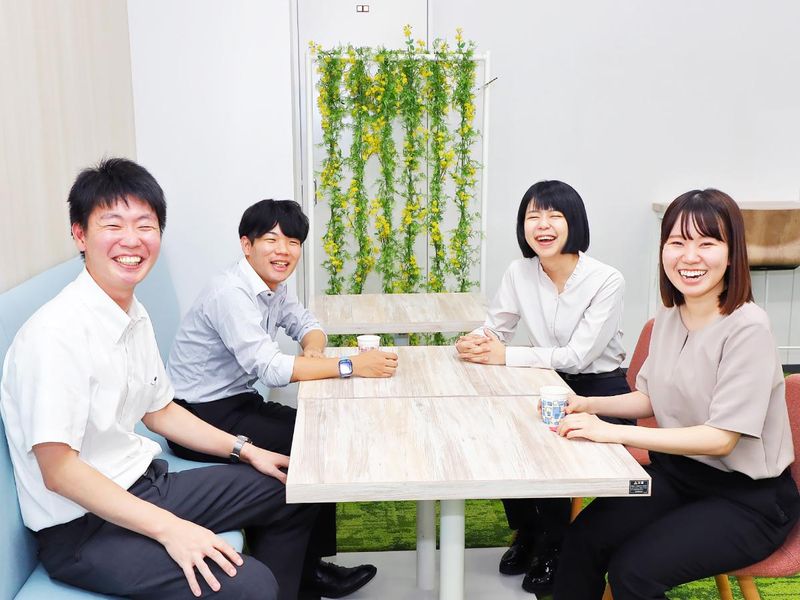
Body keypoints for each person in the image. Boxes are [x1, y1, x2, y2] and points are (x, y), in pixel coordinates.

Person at [0, 158, 320, 600]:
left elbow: (161, 411)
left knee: (294, 488)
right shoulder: (55, 334)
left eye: (145, 225)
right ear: (80, 234)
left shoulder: (132, 313)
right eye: (113, 224)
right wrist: (173, 529)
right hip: (83, 528)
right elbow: (59, 472)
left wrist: (248, 451)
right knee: (252, 584)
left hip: (145, 484)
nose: (132, 240)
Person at [553, 189, 800, 600]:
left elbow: (721, 439)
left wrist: (611, 432)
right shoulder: (669, 315)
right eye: (678, 242)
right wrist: (587, 404)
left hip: (748, 500)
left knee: (634, 571)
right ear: (663, 249)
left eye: (707, 243)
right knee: (583, 539)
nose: (690, 256)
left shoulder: (749, 328)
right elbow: (649, 397)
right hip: (681, 475)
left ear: (732, 253)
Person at [166, 198, 399, 599]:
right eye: (271, 240)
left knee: (318, 433)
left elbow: (307, 323)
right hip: (197, 418)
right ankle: (295, 579)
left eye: (292, 242)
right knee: (312, 447)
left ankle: (312, 566)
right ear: (247, 245)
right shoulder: (230, 293)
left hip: (235, 402)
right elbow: (271, 369)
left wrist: (314, 348)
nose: (283, 250)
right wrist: (351, 365)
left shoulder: (272, 288)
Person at [455, 179, 630, 595]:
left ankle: (554, 542)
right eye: (533, 216)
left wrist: (505, 356)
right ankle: (529, 530)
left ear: (575, 223)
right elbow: (497, 326)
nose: (543, 225)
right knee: (500, 433)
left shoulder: (606, 279)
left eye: (554, 215)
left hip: (599, 389)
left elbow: (578, 357)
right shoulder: (519, 272)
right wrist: (474, 340)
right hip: (542, 380)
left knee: (545, 446)